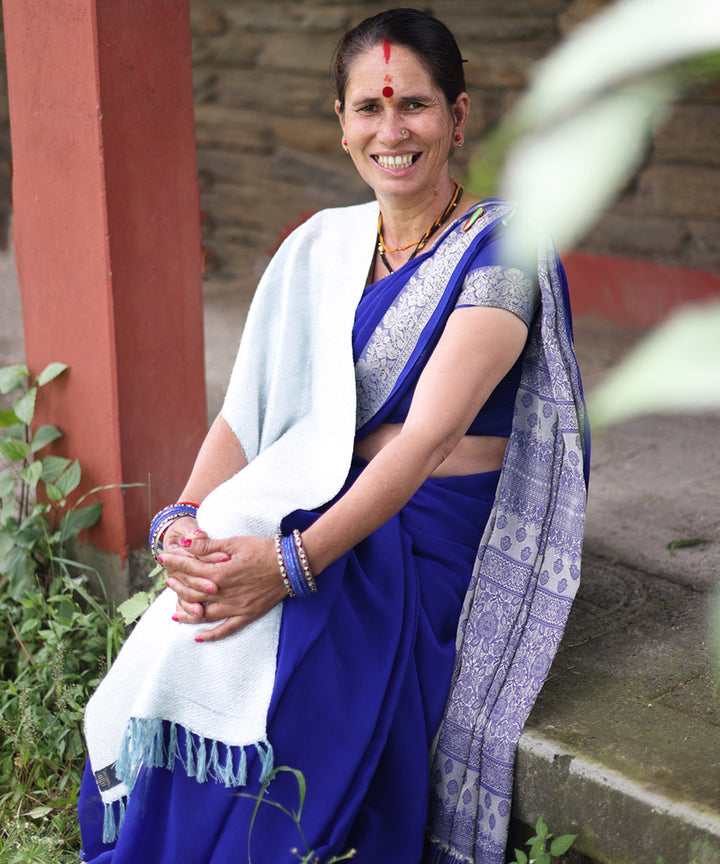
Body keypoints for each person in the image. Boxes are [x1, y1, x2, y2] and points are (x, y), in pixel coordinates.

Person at [79, 8, 588, 864]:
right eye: (368, 109)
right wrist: (185, 521)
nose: (393, 131)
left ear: (458, 119)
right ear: (342, 125)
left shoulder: (503, 251)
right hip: (315, 503)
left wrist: (289, 566)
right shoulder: (322, 246)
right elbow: (250, 413)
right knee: (193, 633)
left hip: (422, 539)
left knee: (293, 678)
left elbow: (426, 441)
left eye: (415, 107)